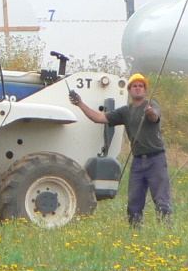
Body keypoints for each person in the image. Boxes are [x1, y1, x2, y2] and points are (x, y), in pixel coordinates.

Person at [70, 73, 172, 226]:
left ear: (145, 90)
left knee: (162, 201)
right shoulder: (125, 111)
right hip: (138, 161)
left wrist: (150, 112)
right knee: (134, 204)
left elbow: (154, 117)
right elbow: (99, 118)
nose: (138, 89)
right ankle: (135, 233)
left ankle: (166, 233)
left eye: (141, 86)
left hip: (156, 159)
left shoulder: (152, 105)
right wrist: (80, 104)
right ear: (129, 90)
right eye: (134, 86)